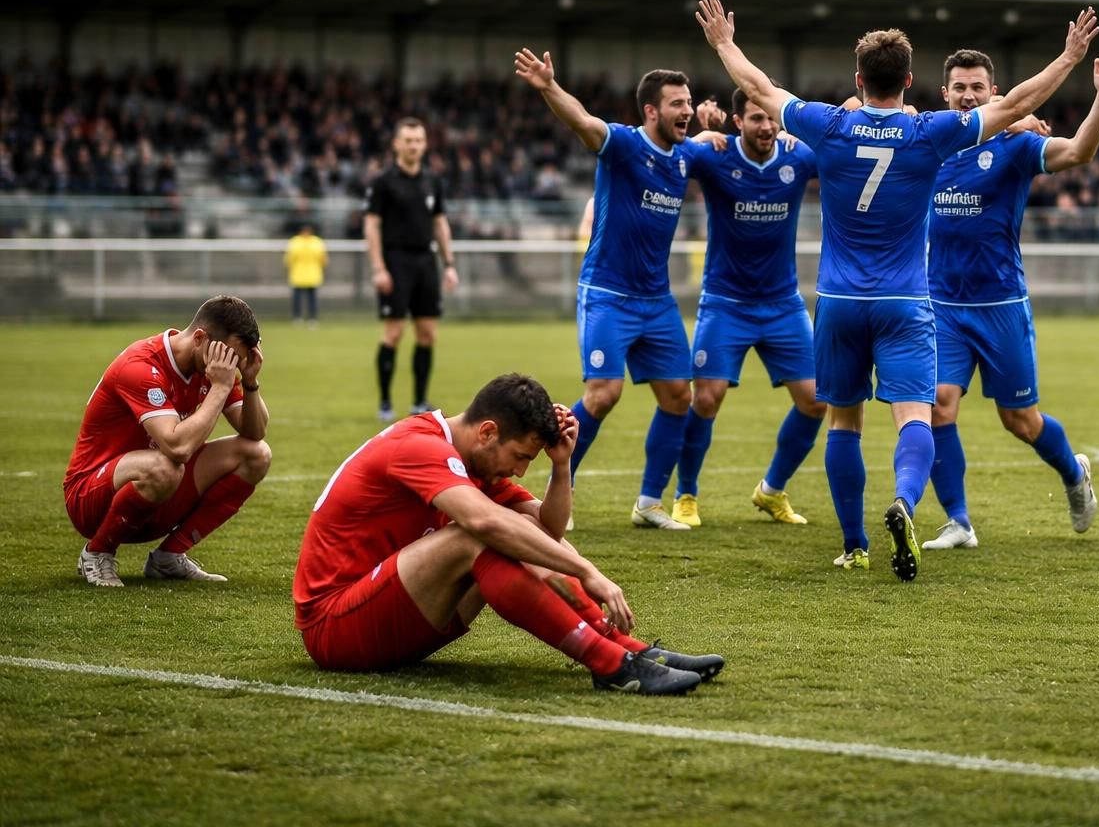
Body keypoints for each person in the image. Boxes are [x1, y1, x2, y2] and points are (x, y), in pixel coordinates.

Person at [696, 0, 1099, 579]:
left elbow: (759, 87)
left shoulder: (828, 124)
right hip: (907, 301)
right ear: (910, 81)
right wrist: (1067, 58)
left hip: (838, 302)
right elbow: (1017, 102)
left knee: (843, 421)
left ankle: (855, 544)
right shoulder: (930, 134)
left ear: (859, 80)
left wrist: (724, 44)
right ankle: (908, 503)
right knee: (917, 416)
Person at [293, 373, 722, 694]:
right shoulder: (419, 445)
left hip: (392, 614)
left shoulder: (470, 457)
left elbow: (547, 531)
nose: (519, 470)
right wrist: (588, 571)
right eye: (519, 457)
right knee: (478, 533)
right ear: (487, 432)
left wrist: (560, 465)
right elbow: (485, 525)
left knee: (514, 531)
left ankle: (628, 650)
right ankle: (610, 663)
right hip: (335, 628)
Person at [920, 45, 1099, 552]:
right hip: (941, 304)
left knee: (1021, 422)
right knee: (940, 407)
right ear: (946, 95)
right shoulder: (927, 144)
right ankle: (959, 522)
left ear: (994, 94)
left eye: (977, 88)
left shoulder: (1014, 146)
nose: (968, 96)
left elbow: (1078, 152)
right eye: (959, 88)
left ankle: (1073, 472)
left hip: (1001, 305)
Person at [513, 49, 723, 531]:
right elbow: (584, 122)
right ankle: (554, 497)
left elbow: (709, 141)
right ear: (651, 111)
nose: (685, 111)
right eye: (677, 104)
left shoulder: (684, 155)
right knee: (604, 394)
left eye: (689, 103)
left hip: (657, 301)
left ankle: (649, 503)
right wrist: (548, 85)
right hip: (607, 292)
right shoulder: (625, 146)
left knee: (678, 397)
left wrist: (712, 123)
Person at [671, 85, 826, 527]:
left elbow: (844, 146)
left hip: (783, 303)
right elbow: (671, 152)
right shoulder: (717, 156)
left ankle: (772, 490)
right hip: (725, 303)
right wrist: (702, 134)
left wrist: (808, 133)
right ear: (737, 121)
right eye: (757, 118)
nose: (767, 127)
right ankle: (686, 494)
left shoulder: (797, 159)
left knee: (816, 401)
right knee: (706, 398)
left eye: (772, 118)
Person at [64, 295, 272, 587]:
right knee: (166, 465)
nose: (230, 366)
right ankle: (97, 552)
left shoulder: (214, 365)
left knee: (256, 454)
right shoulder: (141, 365)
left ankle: (168, 557)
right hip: (91, 497)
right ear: (200, 338)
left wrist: (250, 382)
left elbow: (255, 432)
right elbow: (178, 447)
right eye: (229, 358)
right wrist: (221, 388)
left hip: (159, 492)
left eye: (236, 361)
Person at [364, 117, 460, 422]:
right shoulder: (383, 182)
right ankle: (384, 402)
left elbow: (440, 223)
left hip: (426, 262)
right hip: (395, 262)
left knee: (428, 333)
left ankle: (419, 401)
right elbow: (372, 224)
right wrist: (379, 267)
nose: (414, 146)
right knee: (393, 332)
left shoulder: (433, 181)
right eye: (408, 140)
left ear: (425, 144)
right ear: (397, 144)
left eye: (418, 141)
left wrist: (449, 264)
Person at [284, 221, 328, 325]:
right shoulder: (313, 242)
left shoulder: (298, 242)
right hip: (300, 275)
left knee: (311, 300)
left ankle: (311, 318)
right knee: (298, 300)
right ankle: (299, 318)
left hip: (309, 275)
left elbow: (288, 260)